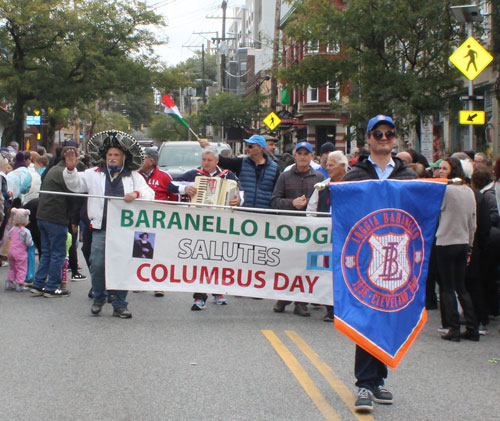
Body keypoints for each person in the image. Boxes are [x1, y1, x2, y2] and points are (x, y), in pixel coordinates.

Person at [342, 115, 416, 413]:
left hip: (398, 257)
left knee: (388, 316)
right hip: (364, 257)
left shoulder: (408, 176)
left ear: (395, 138)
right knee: (366, 316)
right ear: (368, 138)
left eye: (388, 134)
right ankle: (364, 382)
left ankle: (378, 379)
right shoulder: (355, 176)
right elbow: (343, 214)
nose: (383, 138)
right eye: (378, 134)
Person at [63, 130, 154, 318]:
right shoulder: (93, 174)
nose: (112, 158)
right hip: (101, 229)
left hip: (126, 231)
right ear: (104, 157)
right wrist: (71, 170)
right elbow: (75, 186)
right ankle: (99, 297)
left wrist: (136, 194)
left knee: (123, 266)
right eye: (109, 155)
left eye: (116, 155)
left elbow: (149, 193)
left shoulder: (134, 176)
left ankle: (120, 304)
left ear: (123, 158)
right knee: (96, 265)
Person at [173, 146, 241, 310]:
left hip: (220, 223)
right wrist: (184, 189)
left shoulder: (227, 175)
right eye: (204, 159)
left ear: (217, 161)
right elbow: (171, 184)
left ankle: (217, 290)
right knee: (200, 259)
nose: (206, 163)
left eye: (209, 160)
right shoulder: (194, 174)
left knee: (219, 257)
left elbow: (240, 192)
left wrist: (238, 200)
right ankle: (199, 296)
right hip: (199, 223)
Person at [271, 141, 324, 317]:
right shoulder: (285, 176)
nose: (302, 156)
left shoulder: (318, 178)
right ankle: (283, 297)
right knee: (288, 263)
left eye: (306, 153)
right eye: (299, 153)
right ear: (295, 155)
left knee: (305, 264)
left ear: (311, 156)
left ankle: (300, 302)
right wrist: (292, 203)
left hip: (310, 229)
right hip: (289, 227)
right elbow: (275, 200)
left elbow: (323, 203)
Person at [435, 157, 478, 341]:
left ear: (452, 170)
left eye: (445, 168)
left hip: (445, 241)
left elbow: (436, 211)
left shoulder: (445, 191)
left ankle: (453, 327)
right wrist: (469, 242)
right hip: (462, 241)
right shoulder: (469, 191)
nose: (441, 171)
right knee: (461, 287)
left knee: (447, 287)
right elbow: (473, 220)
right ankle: (472, 326)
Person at [306, 150, 349, 322]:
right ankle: (330, 309)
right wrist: (315, 228)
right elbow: (311, 209)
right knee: (327, 273)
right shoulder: (322, 186)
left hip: (348, 237)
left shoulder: (355, 184)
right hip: (327, 237)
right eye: (327, 165)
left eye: (331, 165)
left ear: (343, 166)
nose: (328, 168)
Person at [30, 147, 75, 298]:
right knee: (58, 253)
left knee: (47, 252)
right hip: (56, 217)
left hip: (42, 215)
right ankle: (52, 287)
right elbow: (73, 193)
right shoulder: (65, 173)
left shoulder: (53, 169)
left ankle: (38, 284)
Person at [139, 147, 179, 297]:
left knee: (160, 253)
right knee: (142, 251)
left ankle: (158, 284)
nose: (140, 161)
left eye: (143, 158)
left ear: (152, 161)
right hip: (141, 220)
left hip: (160, 221)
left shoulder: (164, 176)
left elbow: (173, 196)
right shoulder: (135, 175)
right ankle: (140, 281)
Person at [200, 135, 278, 209]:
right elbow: (223, 161)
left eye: (250, 146)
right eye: (246, 146)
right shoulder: (241, 163)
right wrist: (209, 147)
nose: (247, 149)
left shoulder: (274, 168)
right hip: (243, 212)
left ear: (260, 148)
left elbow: (277, 193)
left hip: (265, 214)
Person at [4, 208, 33, 292]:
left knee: (12, 268)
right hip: (20, 253)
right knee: (21, 268)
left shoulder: (12, 229)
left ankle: (10, 283)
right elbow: (29, 243)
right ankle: (20, 284)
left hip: (11, 252)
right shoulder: (25, 231)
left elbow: (9, 236)